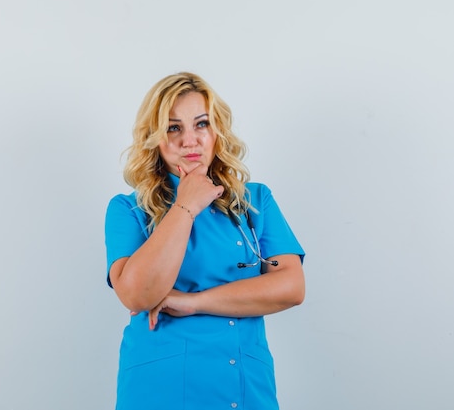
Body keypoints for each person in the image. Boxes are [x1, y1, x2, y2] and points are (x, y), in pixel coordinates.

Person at [104, 72, 305, 410]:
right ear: (154, 138)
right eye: (173, 127)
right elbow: (137, 294)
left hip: (244, 387)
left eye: (201, 124)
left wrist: (193, 302)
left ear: (217, 132)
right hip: (161, 388)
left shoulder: (255, 201)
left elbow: (291, 287)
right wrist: (186, 205)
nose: (189, 140)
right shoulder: (128, 209)